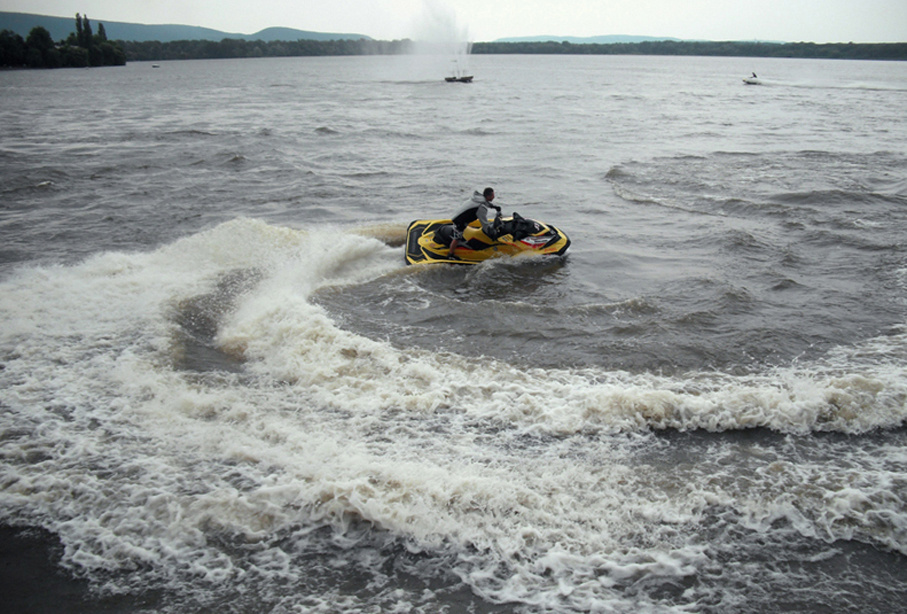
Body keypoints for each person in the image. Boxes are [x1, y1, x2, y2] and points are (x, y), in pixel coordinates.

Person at [447, 187, 502, 256]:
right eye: (493, 195)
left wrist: (495, 207)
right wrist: (492, 234)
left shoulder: (479, 199)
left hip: (457, 215)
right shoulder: (481, 207)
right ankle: (450, 254)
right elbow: (484, 224)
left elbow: (486, 203)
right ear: (488, 196)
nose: (494, 197)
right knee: (457, 237)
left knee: (459, 235)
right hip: (460, 220)